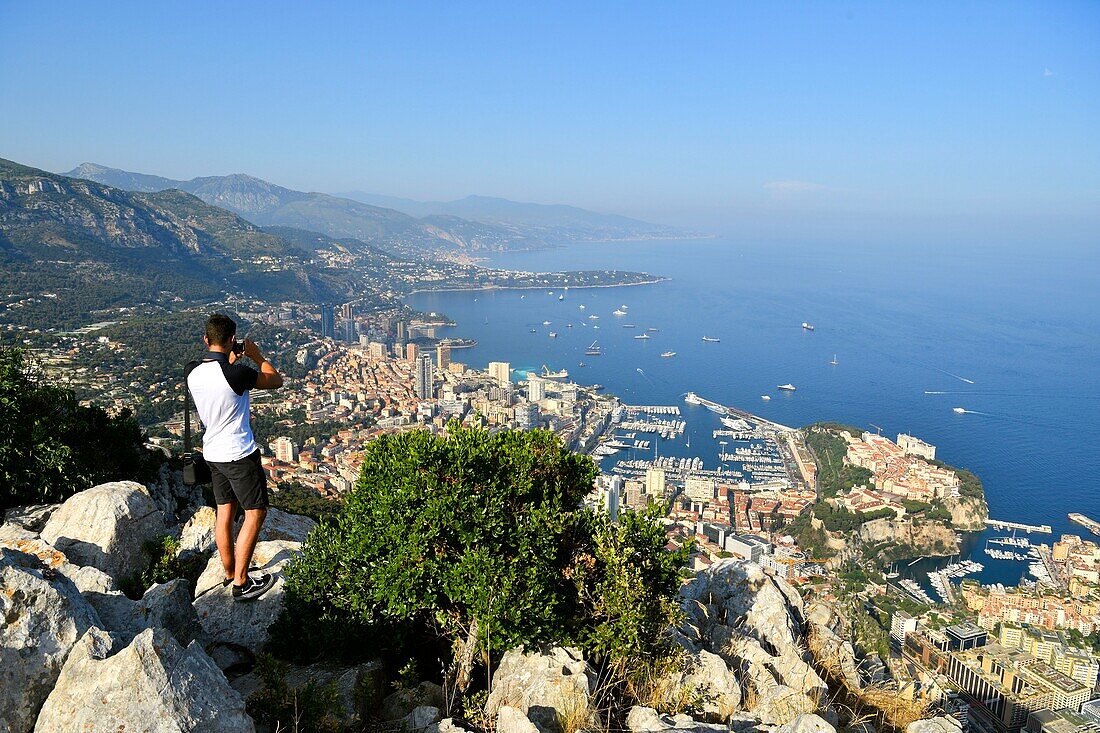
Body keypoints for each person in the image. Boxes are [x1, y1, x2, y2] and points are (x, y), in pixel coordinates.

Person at [186, 314, 284, 601]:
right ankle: (242, 583)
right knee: (255, 513)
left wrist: (228, 357)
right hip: (239, 454)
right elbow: (275, 380)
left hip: (212, 454)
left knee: (225, 512)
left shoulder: (191, 371)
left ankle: (229, 571)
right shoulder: (238, 373)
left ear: (206, 339)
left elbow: (218, 378)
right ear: (232, 339)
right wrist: (256, 355)